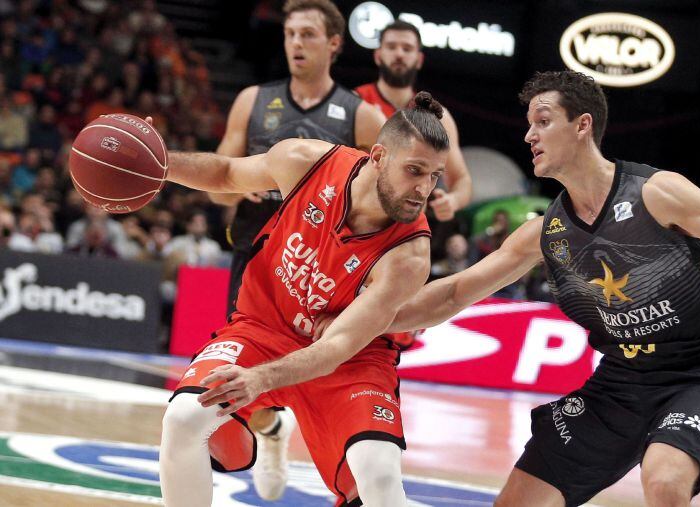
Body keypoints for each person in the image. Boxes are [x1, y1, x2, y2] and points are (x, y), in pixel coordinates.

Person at [336, 71, 700, 507]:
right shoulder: (545, 233)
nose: (529, 135)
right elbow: (453, 294)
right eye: (529, 124)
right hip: (621, 380)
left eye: (542, 121)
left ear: (582, 125)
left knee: (665, 479)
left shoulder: (656, 194)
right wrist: (355, 321)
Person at [158, 92, 449, 507]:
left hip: (349, 362)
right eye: (414, 171)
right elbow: (224, 173)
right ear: (379, 156)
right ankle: (269, 429)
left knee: (380, 480)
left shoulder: (410, 254)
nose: (423, 189)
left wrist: (260, 379)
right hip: (263, 329)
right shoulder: (307, 161)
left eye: (435, 176)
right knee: (183, 418)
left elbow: (336, 348)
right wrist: (160, 162)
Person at [206, 0, 386, 497]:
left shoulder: (362, 116)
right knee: (241, 385)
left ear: (333, 43)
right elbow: (218, 177)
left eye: (308, 34)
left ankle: (354, 476)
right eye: (289, 34)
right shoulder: (253, 100)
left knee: (323, 383)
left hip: (326, 275)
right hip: (259, 264)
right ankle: (271, 431)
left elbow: (384, 203)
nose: (296, 44)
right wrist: (235, 181)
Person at [354, 20, 472, 223]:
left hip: (405, 231)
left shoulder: (437, 115)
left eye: (407, 48)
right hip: (355, 220)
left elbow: (462, 180)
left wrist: (452, 201)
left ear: (419, 59)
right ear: (378, 55)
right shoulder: (354, 103)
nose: (399, 53)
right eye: (391, 47)